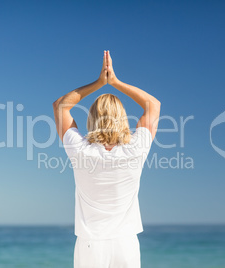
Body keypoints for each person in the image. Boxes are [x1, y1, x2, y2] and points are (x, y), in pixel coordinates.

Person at [53, 50, 161, 268]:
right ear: (123, 119)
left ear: (92, 118)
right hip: (126, 243)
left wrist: (99, 83)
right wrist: (115, 82)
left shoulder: (80, 149)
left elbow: (60, 106)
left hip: (90, 244)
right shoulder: (136, 148)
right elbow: (153, 105)